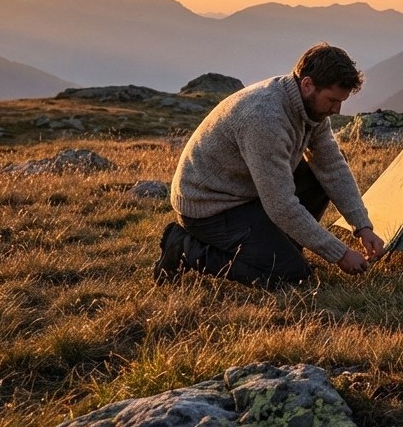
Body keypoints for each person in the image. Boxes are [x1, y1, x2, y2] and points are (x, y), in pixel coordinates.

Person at [155, 42, 385, 288]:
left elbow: (333, 166)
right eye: (331, 100)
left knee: (319, 174)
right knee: (292, 277)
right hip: (209, 207)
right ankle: (182, 246)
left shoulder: (310, 109)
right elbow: (280, 205)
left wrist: (362, 226)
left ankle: (282, 250)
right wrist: (338, 253)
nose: (336, 109)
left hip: (246, 193)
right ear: (307, 85)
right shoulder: (265, 117)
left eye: (340, 101)